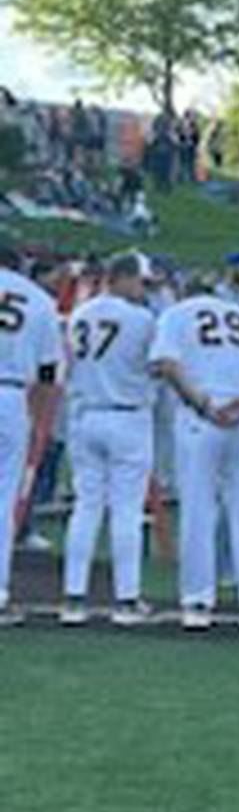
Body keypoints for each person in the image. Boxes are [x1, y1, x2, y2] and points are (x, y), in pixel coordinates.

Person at [149, 277, 239, 629]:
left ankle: (197, 599)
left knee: (198, 508)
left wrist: (204, 404)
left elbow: (168, 364)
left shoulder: (176, 314)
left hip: (202, 414)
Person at [60, 253, 158, 625]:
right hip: (127, 415)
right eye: (139, 281)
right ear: (119, 277)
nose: (142, 289)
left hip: (86, 414)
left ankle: (74, 597)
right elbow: (155, 366)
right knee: (126, 511)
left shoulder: (79, 314)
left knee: (87, 507)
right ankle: (127, 599)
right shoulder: (142, 319)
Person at [0, 238, 64, 625]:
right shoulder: (38, 299)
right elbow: (47, 372)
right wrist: (38, 419)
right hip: (10, 397)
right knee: (3, 501)